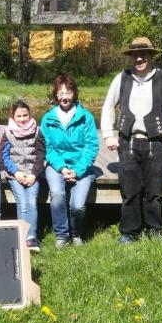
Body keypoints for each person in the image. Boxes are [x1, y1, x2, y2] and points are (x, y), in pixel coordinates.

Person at [100, 37, 162, 243]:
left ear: (151, 56)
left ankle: (155, 231)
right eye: (134, 55)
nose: (138, 58)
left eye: (143, 54)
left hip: (156, 144)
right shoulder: (121, 78)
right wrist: (108, 134)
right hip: (128, 142)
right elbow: (107, 107)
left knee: (154, 191)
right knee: (129, 191)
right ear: (130, 57)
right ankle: (129, 233)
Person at [40, 75, 99, 249]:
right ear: (55, 95)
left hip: (81, 165)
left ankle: (76, 233)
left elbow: (91, 147)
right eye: (60, 93)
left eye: (68, 92)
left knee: (78, 206)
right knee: (57, 195)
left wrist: (78, 170)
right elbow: (48, 148)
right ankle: (61, 234)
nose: (64, 96)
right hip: (57, 165)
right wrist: (62, 168)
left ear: (74, 94)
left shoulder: (85, 117)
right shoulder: (48, 119)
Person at [0, 100, 46, 252]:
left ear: (29, 115)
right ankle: (23, 236)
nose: (22, 119)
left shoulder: (37, 131)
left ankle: (31, 238)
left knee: (32, 202)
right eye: (18, 116)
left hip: (33, 174)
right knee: (22, 202)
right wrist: (16, 172)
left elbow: (40, 155)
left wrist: (34, 175)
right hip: (15, 174)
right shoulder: (7, 132)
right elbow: (4, 156)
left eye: (25, 115)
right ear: (13, 117)